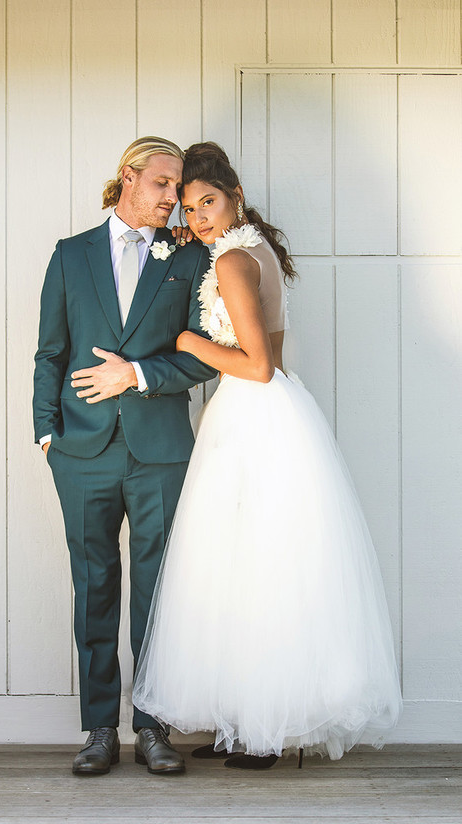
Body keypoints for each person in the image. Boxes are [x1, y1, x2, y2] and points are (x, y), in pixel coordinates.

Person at [133, 142, 402, 769]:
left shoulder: (230, 261)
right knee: (255, 566)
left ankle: (261, 731)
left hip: (252, 413)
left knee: (251, 565)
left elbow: (256, 366)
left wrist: (188, 341)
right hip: (279, 412)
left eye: (209, 203)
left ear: (236, 199)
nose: (198, 218)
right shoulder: (256, 251)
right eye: (191, 208)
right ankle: (247, 724)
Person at [33, 136, 216, 776]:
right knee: (94, 588)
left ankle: (154, 725)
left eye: (180, 188)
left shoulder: (189, 259)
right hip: (81, 452)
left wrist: (136, 374)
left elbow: (201, 353)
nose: (176, 200)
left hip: (160, 450)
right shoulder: (70, 254)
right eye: (164, 185)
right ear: (129, 179)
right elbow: (50, 352)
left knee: (158, 590)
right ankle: (99, 730)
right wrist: (46, 433)